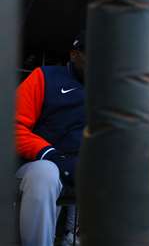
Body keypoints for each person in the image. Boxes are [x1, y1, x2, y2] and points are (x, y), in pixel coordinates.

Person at [15, 32, 86, 246]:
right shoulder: (45, 76)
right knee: (46, 173)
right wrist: (54, 156)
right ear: (74, 54)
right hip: (34, 165)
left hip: (79, 170)